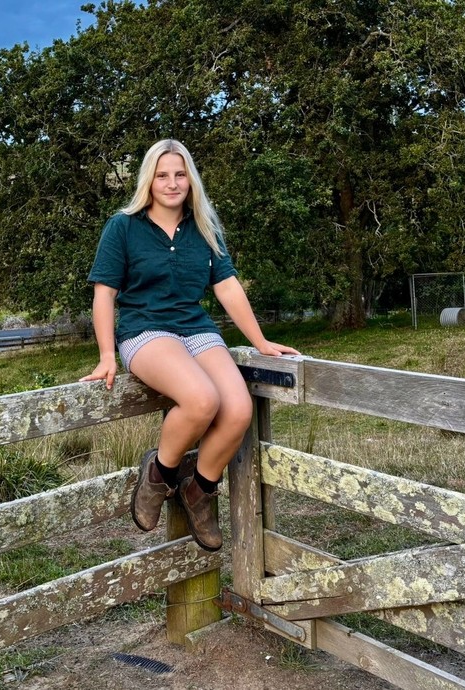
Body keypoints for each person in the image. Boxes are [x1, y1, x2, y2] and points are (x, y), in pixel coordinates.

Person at [80, 139, 299, 551]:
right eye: (162, 175)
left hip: (195, 328)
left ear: (191, 179)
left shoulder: (204, 227)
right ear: (149, 179)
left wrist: (261, 342)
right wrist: (107, 355)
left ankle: (199, 490)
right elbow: (104, 294)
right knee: (201, 400)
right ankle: (159, 474)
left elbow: (227, 286)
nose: (172, 182)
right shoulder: (123, 226)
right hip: (145, 331)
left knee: (237, 410)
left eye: (180, 174)